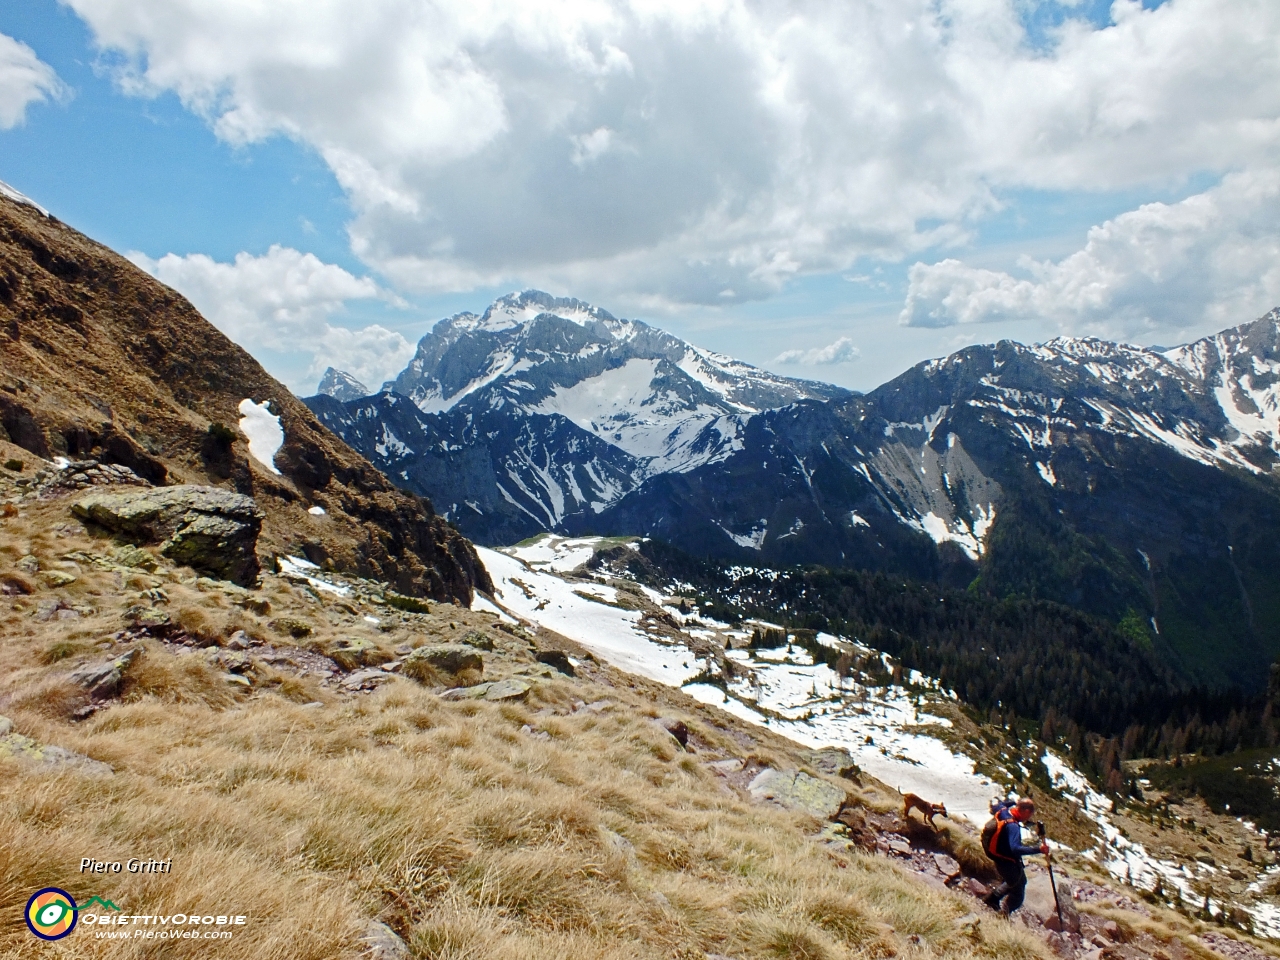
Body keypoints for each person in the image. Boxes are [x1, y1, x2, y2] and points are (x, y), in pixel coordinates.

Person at [983, 797, 1048, 915]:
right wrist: (1039, 849)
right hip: (1005, 861)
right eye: (1029, 816)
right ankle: (1002, 913)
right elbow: (1016, 849)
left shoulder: (1003, 811)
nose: (1028, 819)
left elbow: (1000, 804)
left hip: (997, 854)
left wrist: (1013, 802)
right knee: (1018, 893)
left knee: (1019, 880)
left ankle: (993, 899)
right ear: (1026, 811)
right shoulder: (1013, 826)